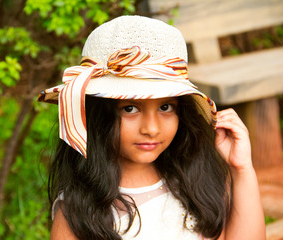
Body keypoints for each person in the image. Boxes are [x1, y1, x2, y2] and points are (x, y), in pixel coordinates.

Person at [38, 16, 266, 240]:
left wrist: (242, 169)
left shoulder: (197, 184)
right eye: (129, 108)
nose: (151, 128)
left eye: (166, 107)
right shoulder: (80, 210)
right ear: (97, 114)